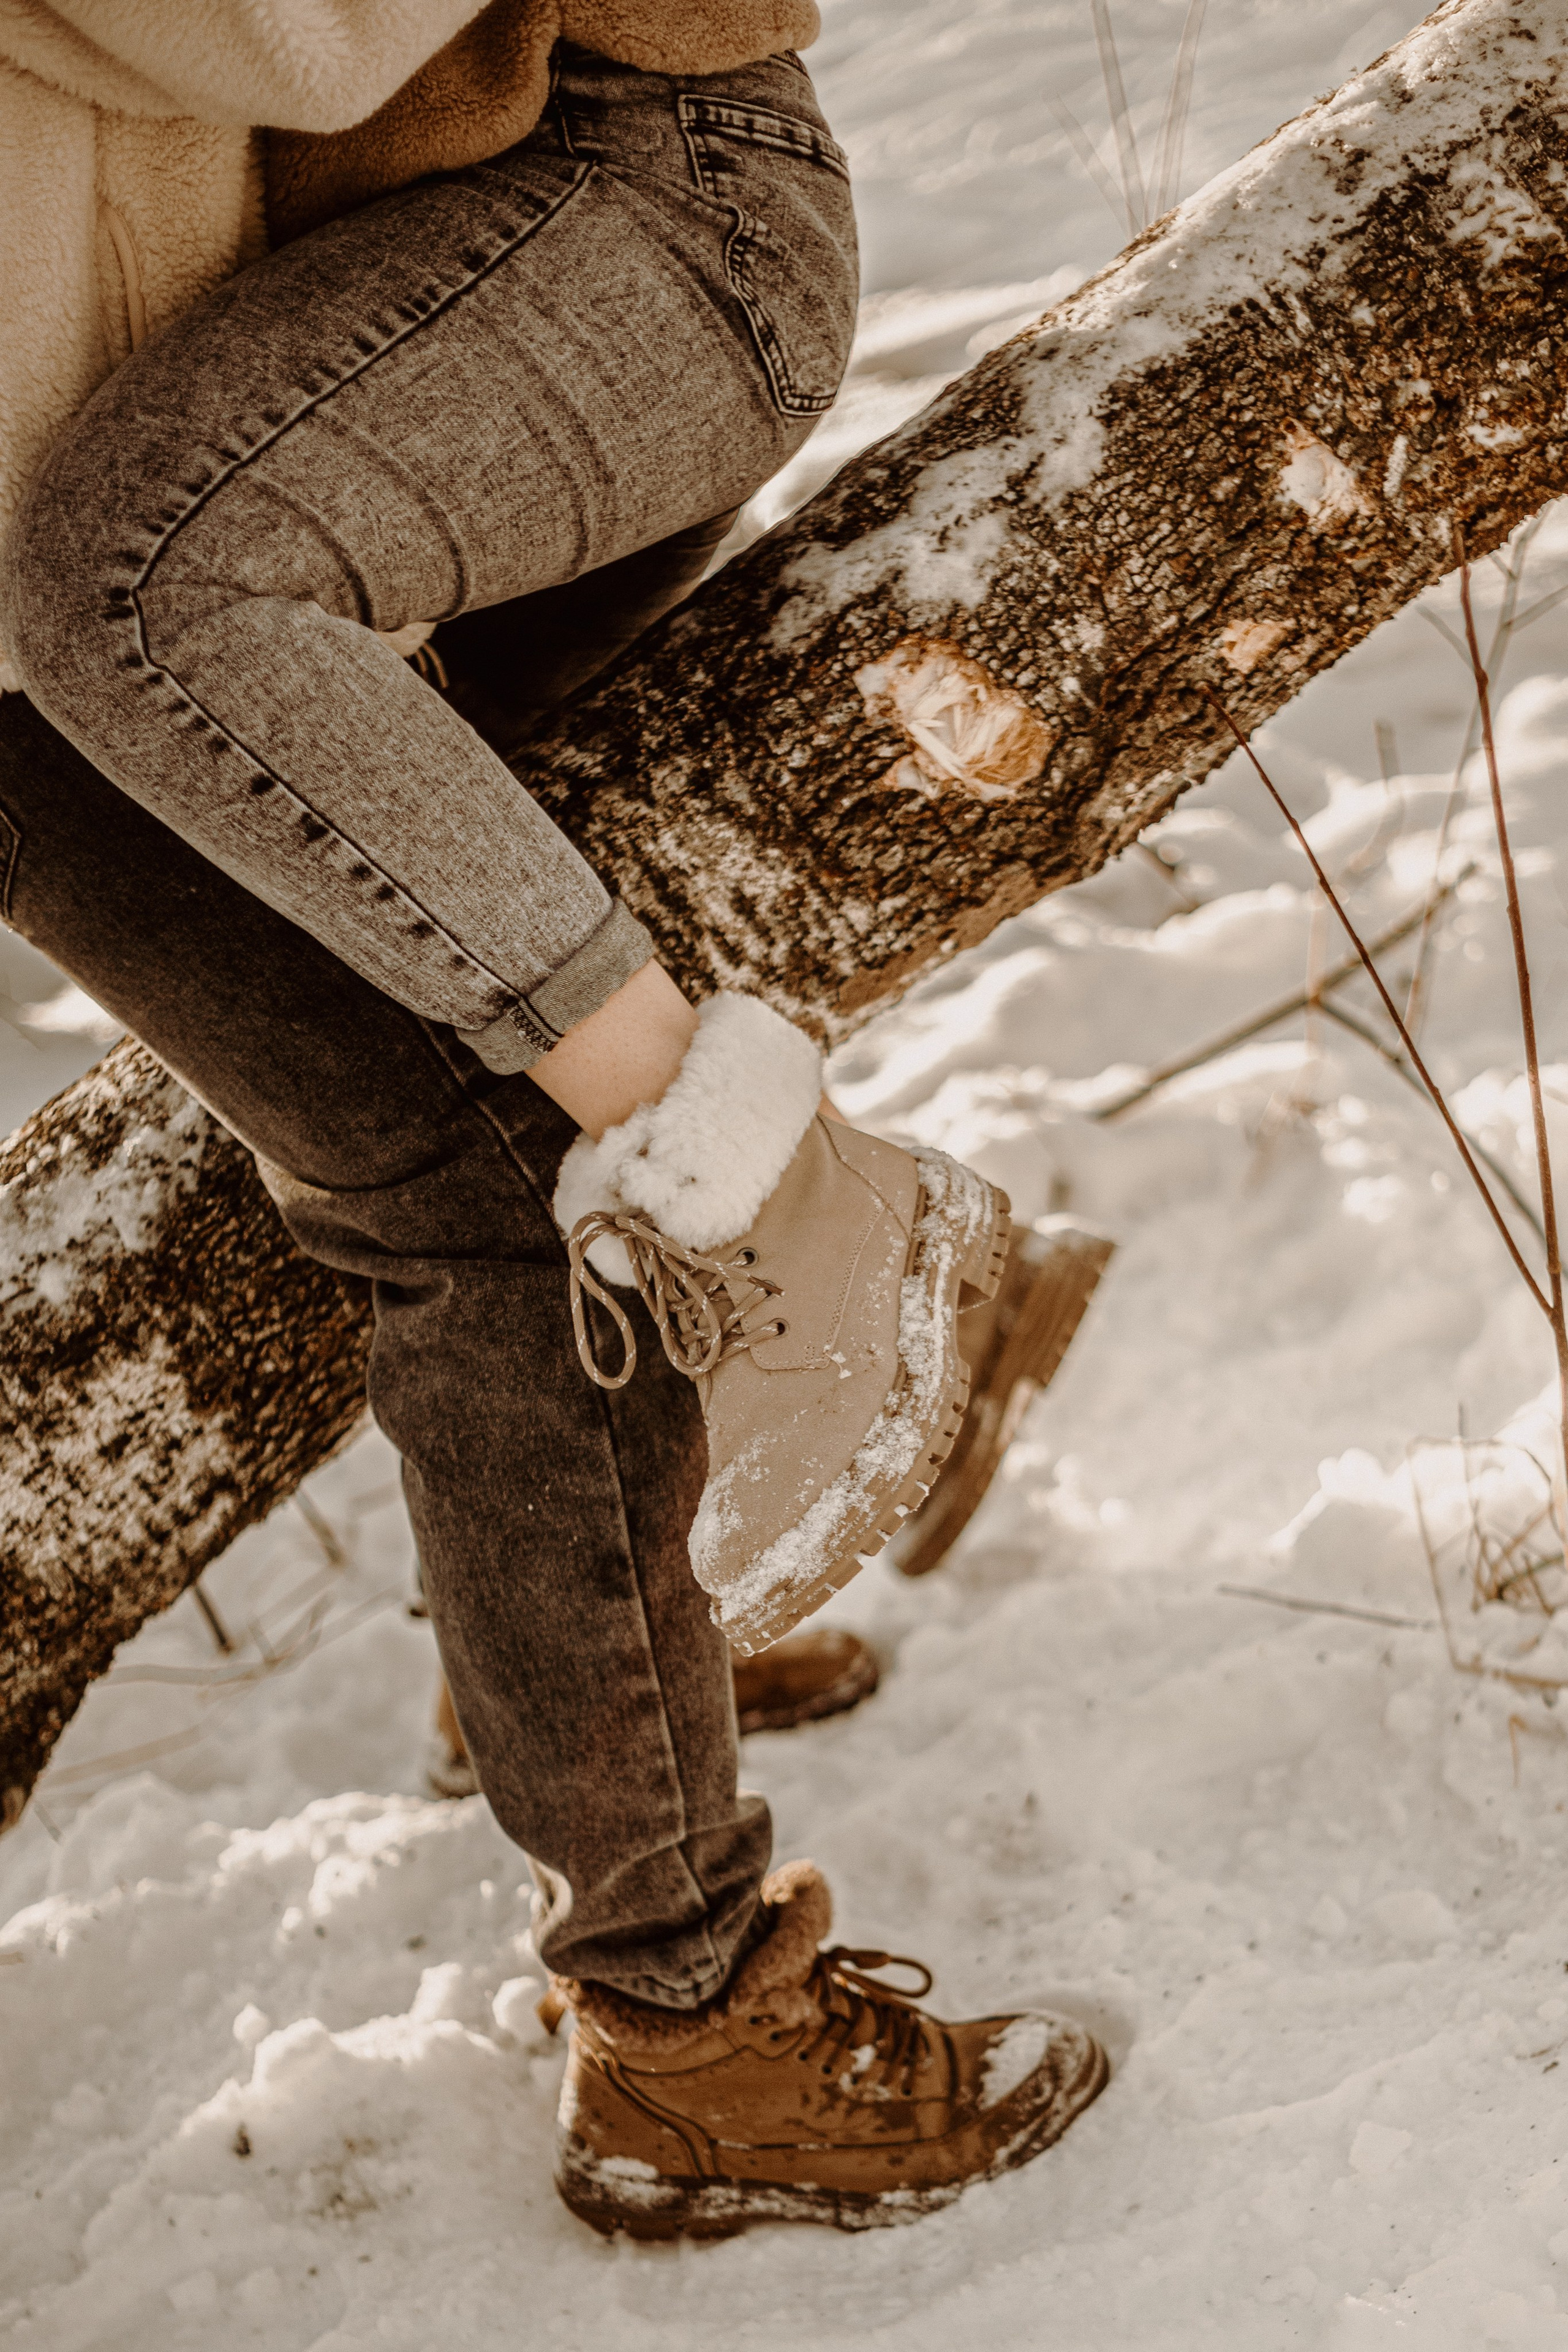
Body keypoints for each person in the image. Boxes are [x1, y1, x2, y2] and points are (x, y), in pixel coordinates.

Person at [0, 0, 1109, 2236]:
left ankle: (655, 1752)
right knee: (466, 1176)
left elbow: (297, 42)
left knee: (485, 1111)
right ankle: (683, 2002)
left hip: (297, 392)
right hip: (105, 560)